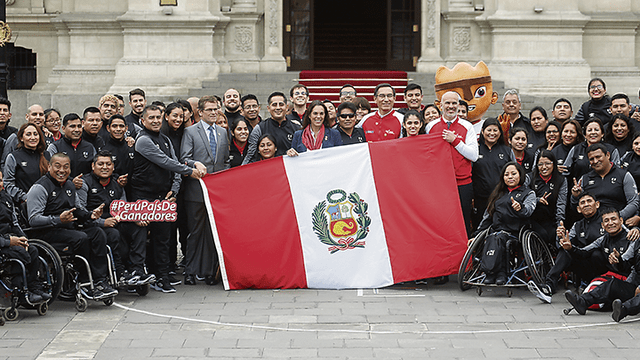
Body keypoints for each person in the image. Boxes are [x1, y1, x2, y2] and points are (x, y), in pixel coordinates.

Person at [129, 105, 205, 293]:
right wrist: (190, 171)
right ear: (143, 121)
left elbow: (175, 162)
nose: (155, 120)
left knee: (163, 239)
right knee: (141, 240)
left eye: (158, 117)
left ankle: (162, 277)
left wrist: (174, 190)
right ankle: (142, 276)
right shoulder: (143, 141)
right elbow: (164, 161)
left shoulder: (164, 139)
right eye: (151, 117)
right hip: (142, 198)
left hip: (163, 197)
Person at [26, 152, 117, 300]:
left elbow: (78, 209)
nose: (62, 170)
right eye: (57, 166)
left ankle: (100, 280)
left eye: (66, 167)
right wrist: (58, 219)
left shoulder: (69, 185)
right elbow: (33, 220)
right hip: (46, 231)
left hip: (68, 228)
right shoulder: (39, 188)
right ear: (49, 167)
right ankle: (84, 281)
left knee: (98, 233)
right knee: (81, 238)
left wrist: (91, 215)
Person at [530, 206, 639, 304]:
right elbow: (583, 252)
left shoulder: (632, 236)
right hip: (607, 275)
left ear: (621, 221)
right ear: (602, 225)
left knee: (607, 288)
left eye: (613, 219)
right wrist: (570, 247)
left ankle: (585, 300)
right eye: (606, 221)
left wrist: (618, 259)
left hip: (627, 281)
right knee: (566, 252)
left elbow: (626, 261)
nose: (610, 223)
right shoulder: (601, 239)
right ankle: (549, 287)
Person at [76, 151, 154, 286]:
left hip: (116, 221)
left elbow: (123, 208)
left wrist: (134, 218)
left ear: (113, 167)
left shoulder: (117, 183)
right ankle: (120, 273)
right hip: (95, 225)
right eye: (100, 164)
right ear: (93, 166)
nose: (105, 167)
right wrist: (102, 222)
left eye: (108, 164)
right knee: (113, 233)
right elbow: (81, 212)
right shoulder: (84, 184)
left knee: (139, 227)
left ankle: (137, 270)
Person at [180, 96, 230, 286]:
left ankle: (210, 272)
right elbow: (184, 158)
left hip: (216, 192)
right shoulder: (190, 132)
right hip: (196, 191)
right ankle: (190, 272)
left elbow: (225, 160)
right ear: (200, 112)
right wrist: (195, 164)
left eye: (216, 109)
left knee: (212, 233)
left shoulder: (223, 132)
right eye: (209, 109)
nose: (213, 112)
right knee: (195, 232)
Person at [472, 162, 536, 285]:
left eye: (513, 174)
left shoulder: (528, 193)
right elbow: (487, 217)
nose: (510, 177)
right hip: (497, 230)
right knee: (492, 237)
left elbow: (529, 210)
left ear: (520, 175)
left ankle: (500, 273)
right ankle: (490, 272)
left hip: (515, 232)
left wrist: (520, 207)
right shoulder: (498, 193)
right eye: (506, 174)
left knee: (500, 238)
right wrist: (477, 235)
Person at [426, 91, 478, 236]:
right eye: (447, 103)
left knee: (463, 222)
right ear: (440, 105)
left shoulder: (467, 126)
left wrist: (455, 141)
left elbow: (474, 155)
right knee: (440, 222)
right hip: (439, 185)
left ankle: (466, 257)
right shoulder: (431, 126)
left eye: (454, 103)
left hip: (462, 184)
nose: (451, 106)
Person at [0, 170, 50, 304]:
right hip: (3, 243)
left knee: (32, 249)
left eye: (0, 180)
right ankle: (20, 291)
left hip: (9, 236)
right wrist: (9, 242)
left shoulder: (5, 197)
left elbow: (14, 223)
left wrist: (23, 238)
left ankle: (33, 286)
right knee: (19, 253)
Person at [571, 143, 638, 222]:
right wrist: (575, 197)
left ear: (608, 155)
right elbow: (576, 210)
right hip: (592, 224)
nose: (595, 161)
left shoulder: (624, 175)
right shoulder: (584, 179)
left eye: (598, 157)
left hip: (617, 223)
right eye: (591, 159)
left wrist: (615, 218)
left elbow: (634, 202)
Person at [472, 118, 515, 230]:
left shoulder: (507, 151)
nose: (492, 133)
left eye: (495, 130)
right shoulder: (475, 150)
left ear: (500, 133)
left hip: (501, 197)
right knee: (480, 228)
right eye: (489, 130)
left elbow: (515, 173)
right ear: (482, 131)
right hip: (480, 199)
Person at [242, 92, 301, 165]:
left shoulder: (297, 128)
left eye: (281, 104)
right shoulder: (259, 128)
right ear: (268, 108)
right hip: (267, 170)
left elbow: (302, 153)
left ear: (286, 107)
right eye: (274, 105)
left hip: (290, 170)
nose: (278, 108)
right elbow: (251, 155)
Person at [524, 150, 567, 246]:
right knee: (542, 235)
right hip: (532, 218)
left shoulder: (561, 180)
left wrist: (560, 224)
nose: (544, 167)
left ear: (554, 164)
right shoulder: (530, 177)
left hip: (550, 218)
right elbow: (522, 197)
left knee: (553, 235)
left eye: (547, 163)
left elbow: (561, 203)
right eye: (540, 164)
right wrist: (537, 200)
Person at [3, 123, 50, 205]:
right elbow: (8, 183)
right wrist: (24, 197)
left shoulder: (47, 155)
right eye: (28, 134)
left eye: (35, 134)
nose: (33, 137)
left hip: (47, 203)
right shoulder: (13, 157)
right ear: (21, 138)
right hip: (24, 204)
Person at [46, 113, 97, 190]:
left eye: (79, 126)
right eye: (72, 126)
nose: (76, 130)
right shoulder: (55, 147)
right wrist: (70, 181)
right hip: (60, 190)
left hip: (86, 190)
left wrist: (83, 182)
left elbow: (95, 171)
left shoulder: (90, 147)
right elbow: (50, 171)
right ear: (63, 128)